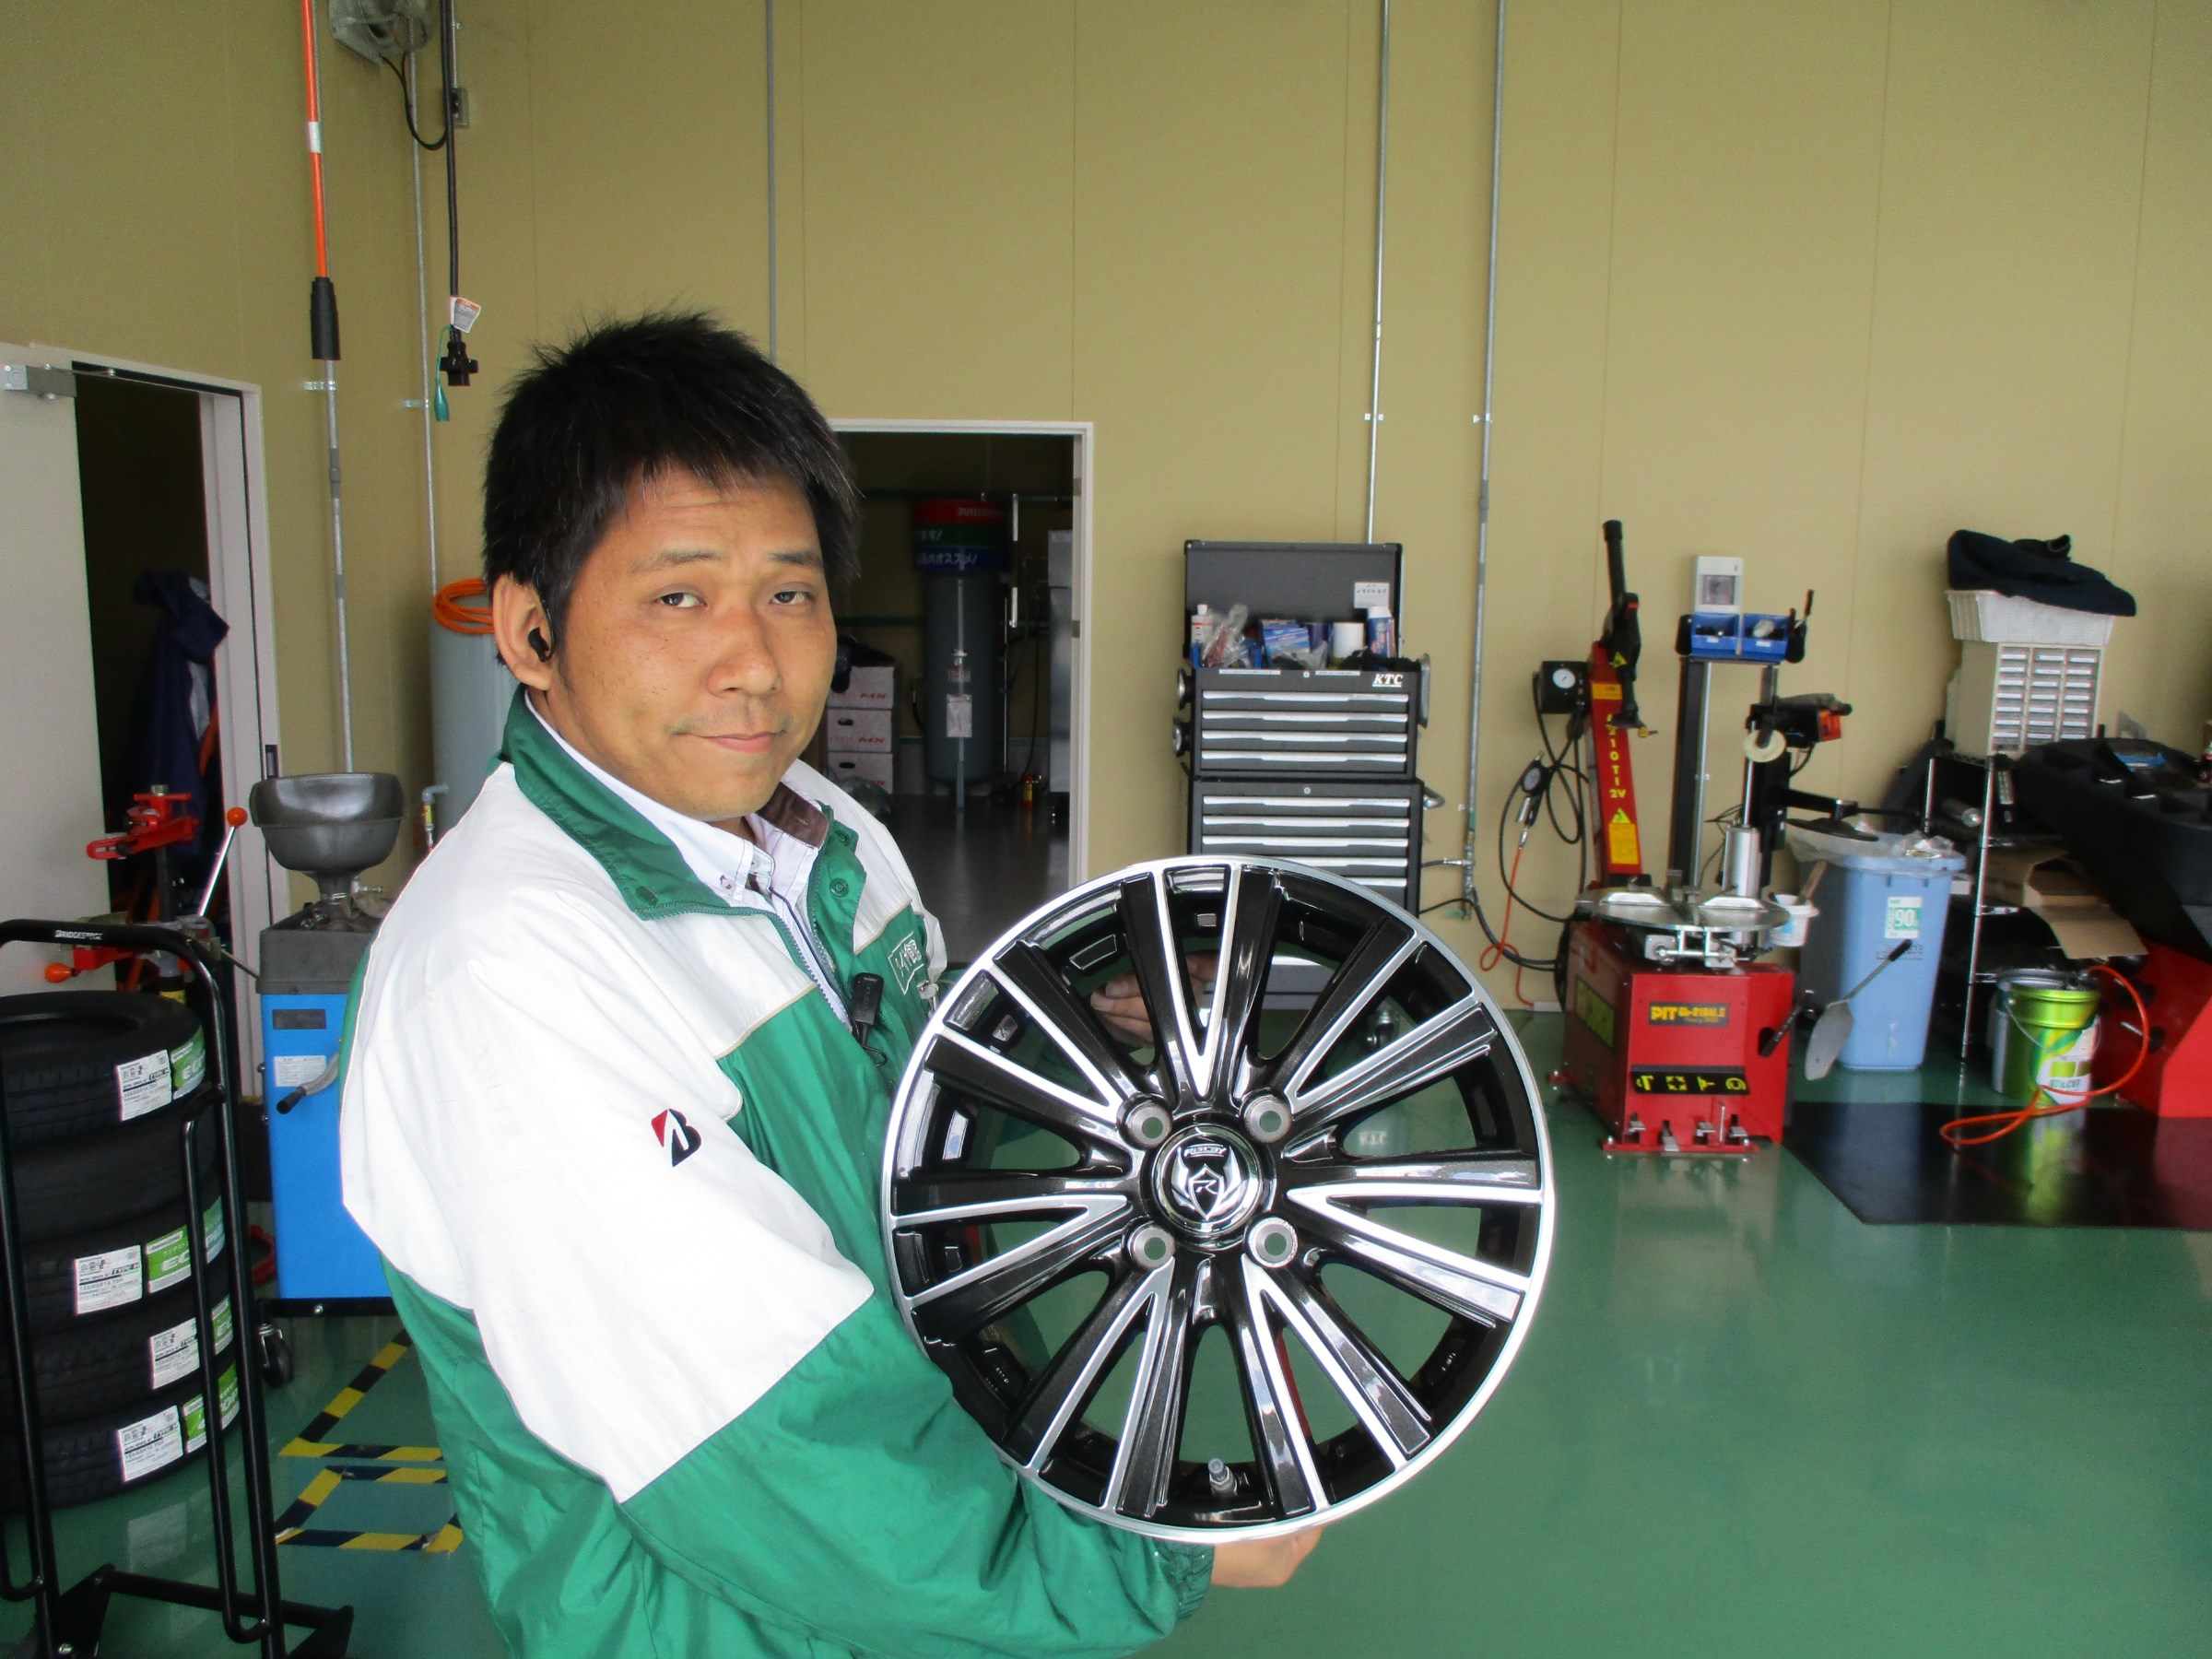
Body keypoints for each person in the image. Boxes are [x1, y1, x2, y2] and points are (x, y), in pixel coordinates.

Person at [339, 312, 1317, 1659]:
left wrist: (1080, 1046)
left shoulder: (823, 834)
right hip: (736, 1620)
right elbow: (781, 1455)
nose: (755, 660)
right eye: (678, 598)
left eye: (790, 594)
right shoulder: (509, 972)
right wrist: (1145, 1554)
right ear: (530, 630)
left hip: (932, 1511)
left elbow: (922, 1120)